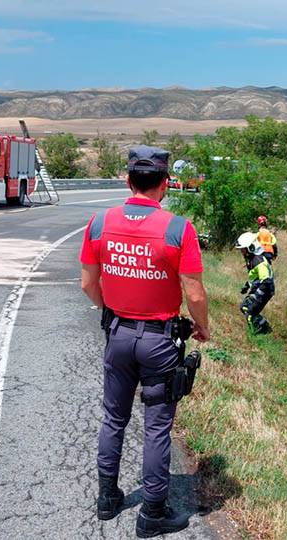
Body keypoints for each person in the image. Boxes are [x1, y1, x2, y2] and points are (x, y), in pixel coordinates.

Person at [80, 145, 210, 538]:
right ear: (165, 183)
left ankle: (107, 498)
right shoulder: (178, 228)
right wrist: (202, 327)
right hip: (158, 342)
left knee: (113, 417)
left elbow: (88, 283)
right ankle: (153, 512)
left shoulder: (100, 222)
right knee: (156, 428)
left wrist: (111, 311)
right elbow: (195, 292)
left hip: (117, 335)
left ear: (127, 181)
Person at [236, 232, 274, 335]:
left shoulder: (259, 261)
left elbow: (266, 281)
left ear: (251, 248)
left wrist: (257, 294)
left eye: (243, 249)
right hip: (258, 288)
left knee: (249, 313)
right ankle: (264, 327)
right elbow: (254, 276)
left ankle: (256, 335)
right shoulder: (251, 259)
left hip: (264, 290)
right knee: (243, 307)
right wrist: (246, 286)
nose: (241, 252)